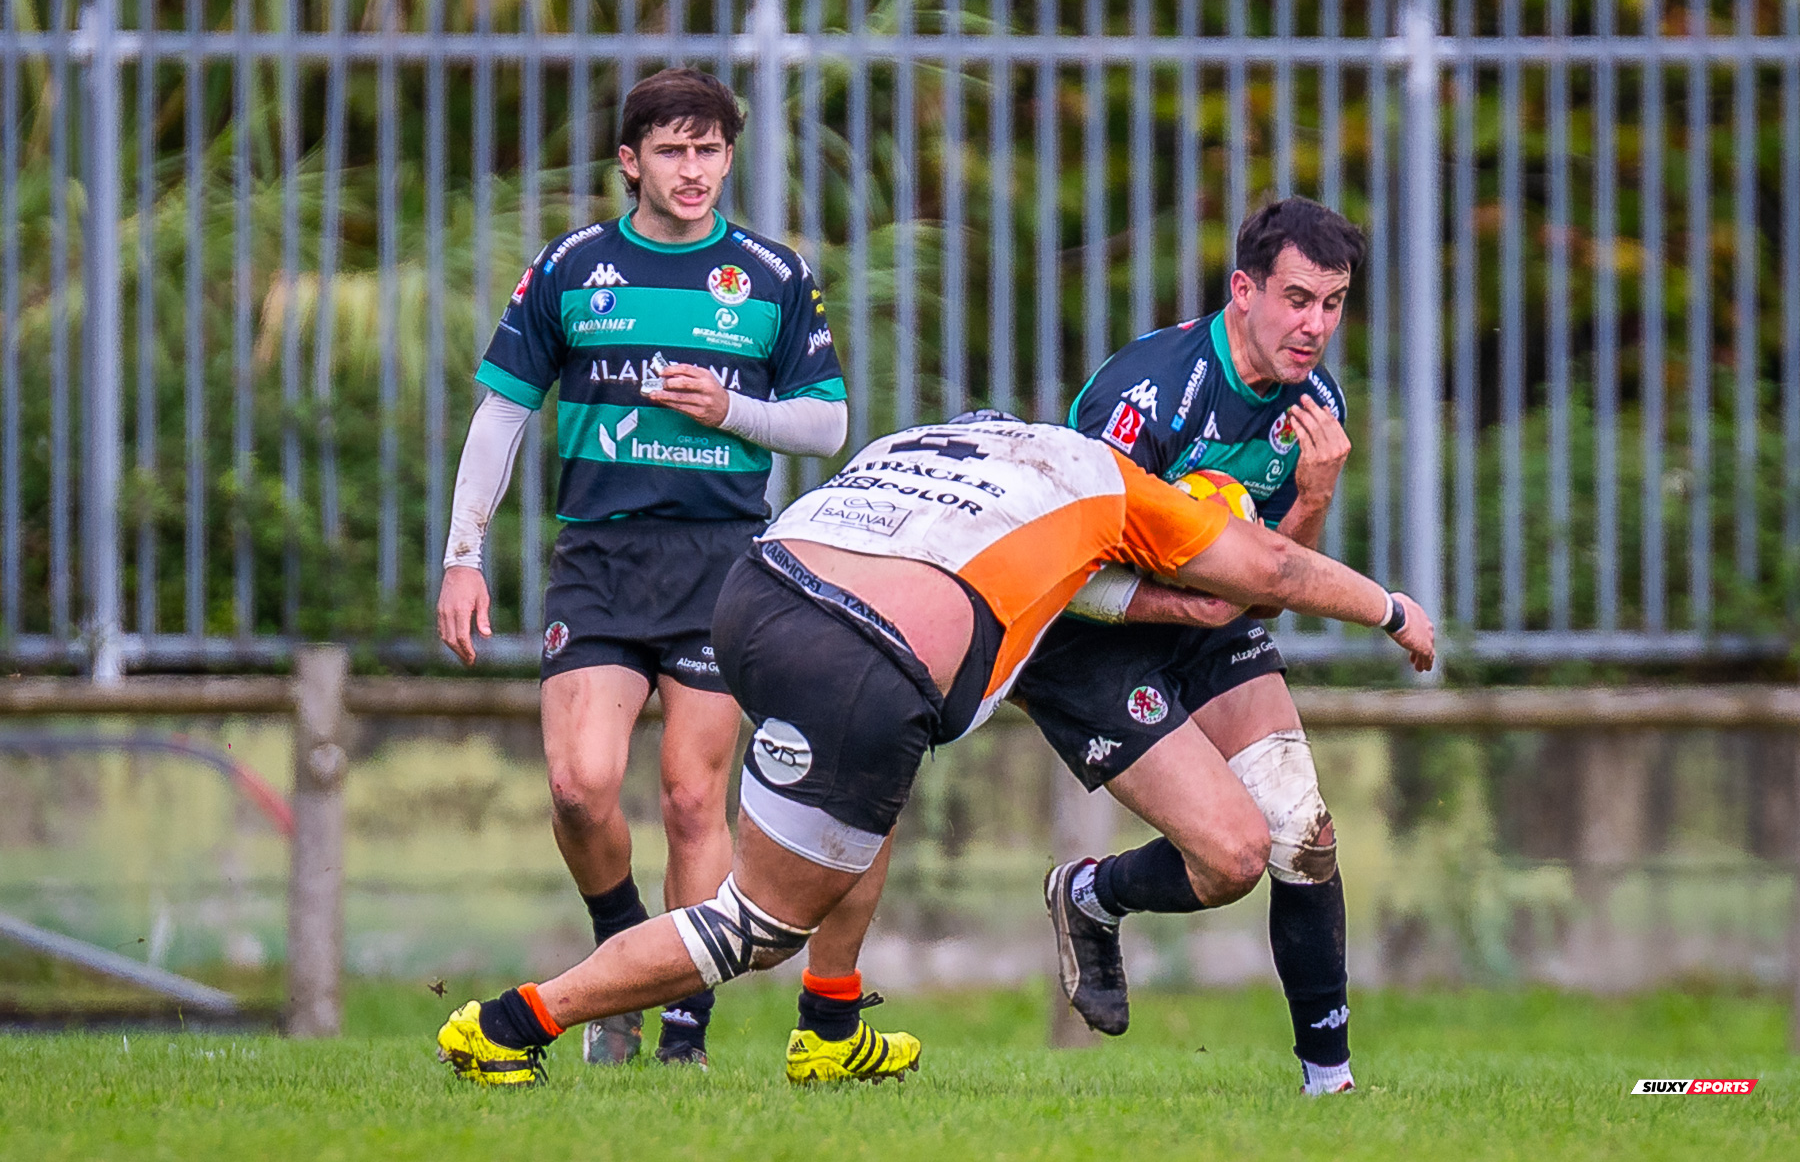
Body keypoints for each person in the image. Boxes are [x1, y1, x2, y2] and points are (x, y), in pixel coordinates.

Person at [432, 414, 1434, 1087]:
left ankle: (831, 1029)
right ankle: (513, 1022)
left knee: (867, 801)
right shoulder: (1124, 492)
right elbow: (1268, 568)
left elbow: (1096, 590)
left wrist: (1172, 603)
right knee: (758, 924)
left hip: (757, 594)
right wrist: (1388, 608)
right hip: (862, 656)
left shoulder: (977, 444)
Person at [435, 67, 846, 1070]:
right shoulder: (574, 267)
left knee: (693, 800)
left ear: (729, 158)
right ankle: (620, 947)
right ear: (631, 161)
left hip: (720, 565)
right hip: (600, 559)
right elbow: (502, 413)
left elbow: (827, 422)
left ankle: (682, 1033)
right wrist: (462, 555)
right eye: (671, 150)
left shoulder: (770, 275)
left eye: (709, 150)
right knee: (579, 787)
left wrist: (733, 410)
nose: (693, 169)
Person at [1014, 197, 1368, 1094]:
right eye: (1296, 299)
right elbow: (1060, 563)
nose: (1314, 325)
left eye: (1332, 303)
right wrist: (1182, 603)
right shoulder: (1147, 397)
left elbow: (1274, 585)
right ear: (1244, 290)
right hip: (1091, 634)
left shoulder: (1315, 408)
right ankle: (1088, 893)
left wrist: (1315, 495)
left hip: (1207, 619)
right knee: (1232, 859)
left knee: (1303, 834)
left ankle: (1331, 1087)